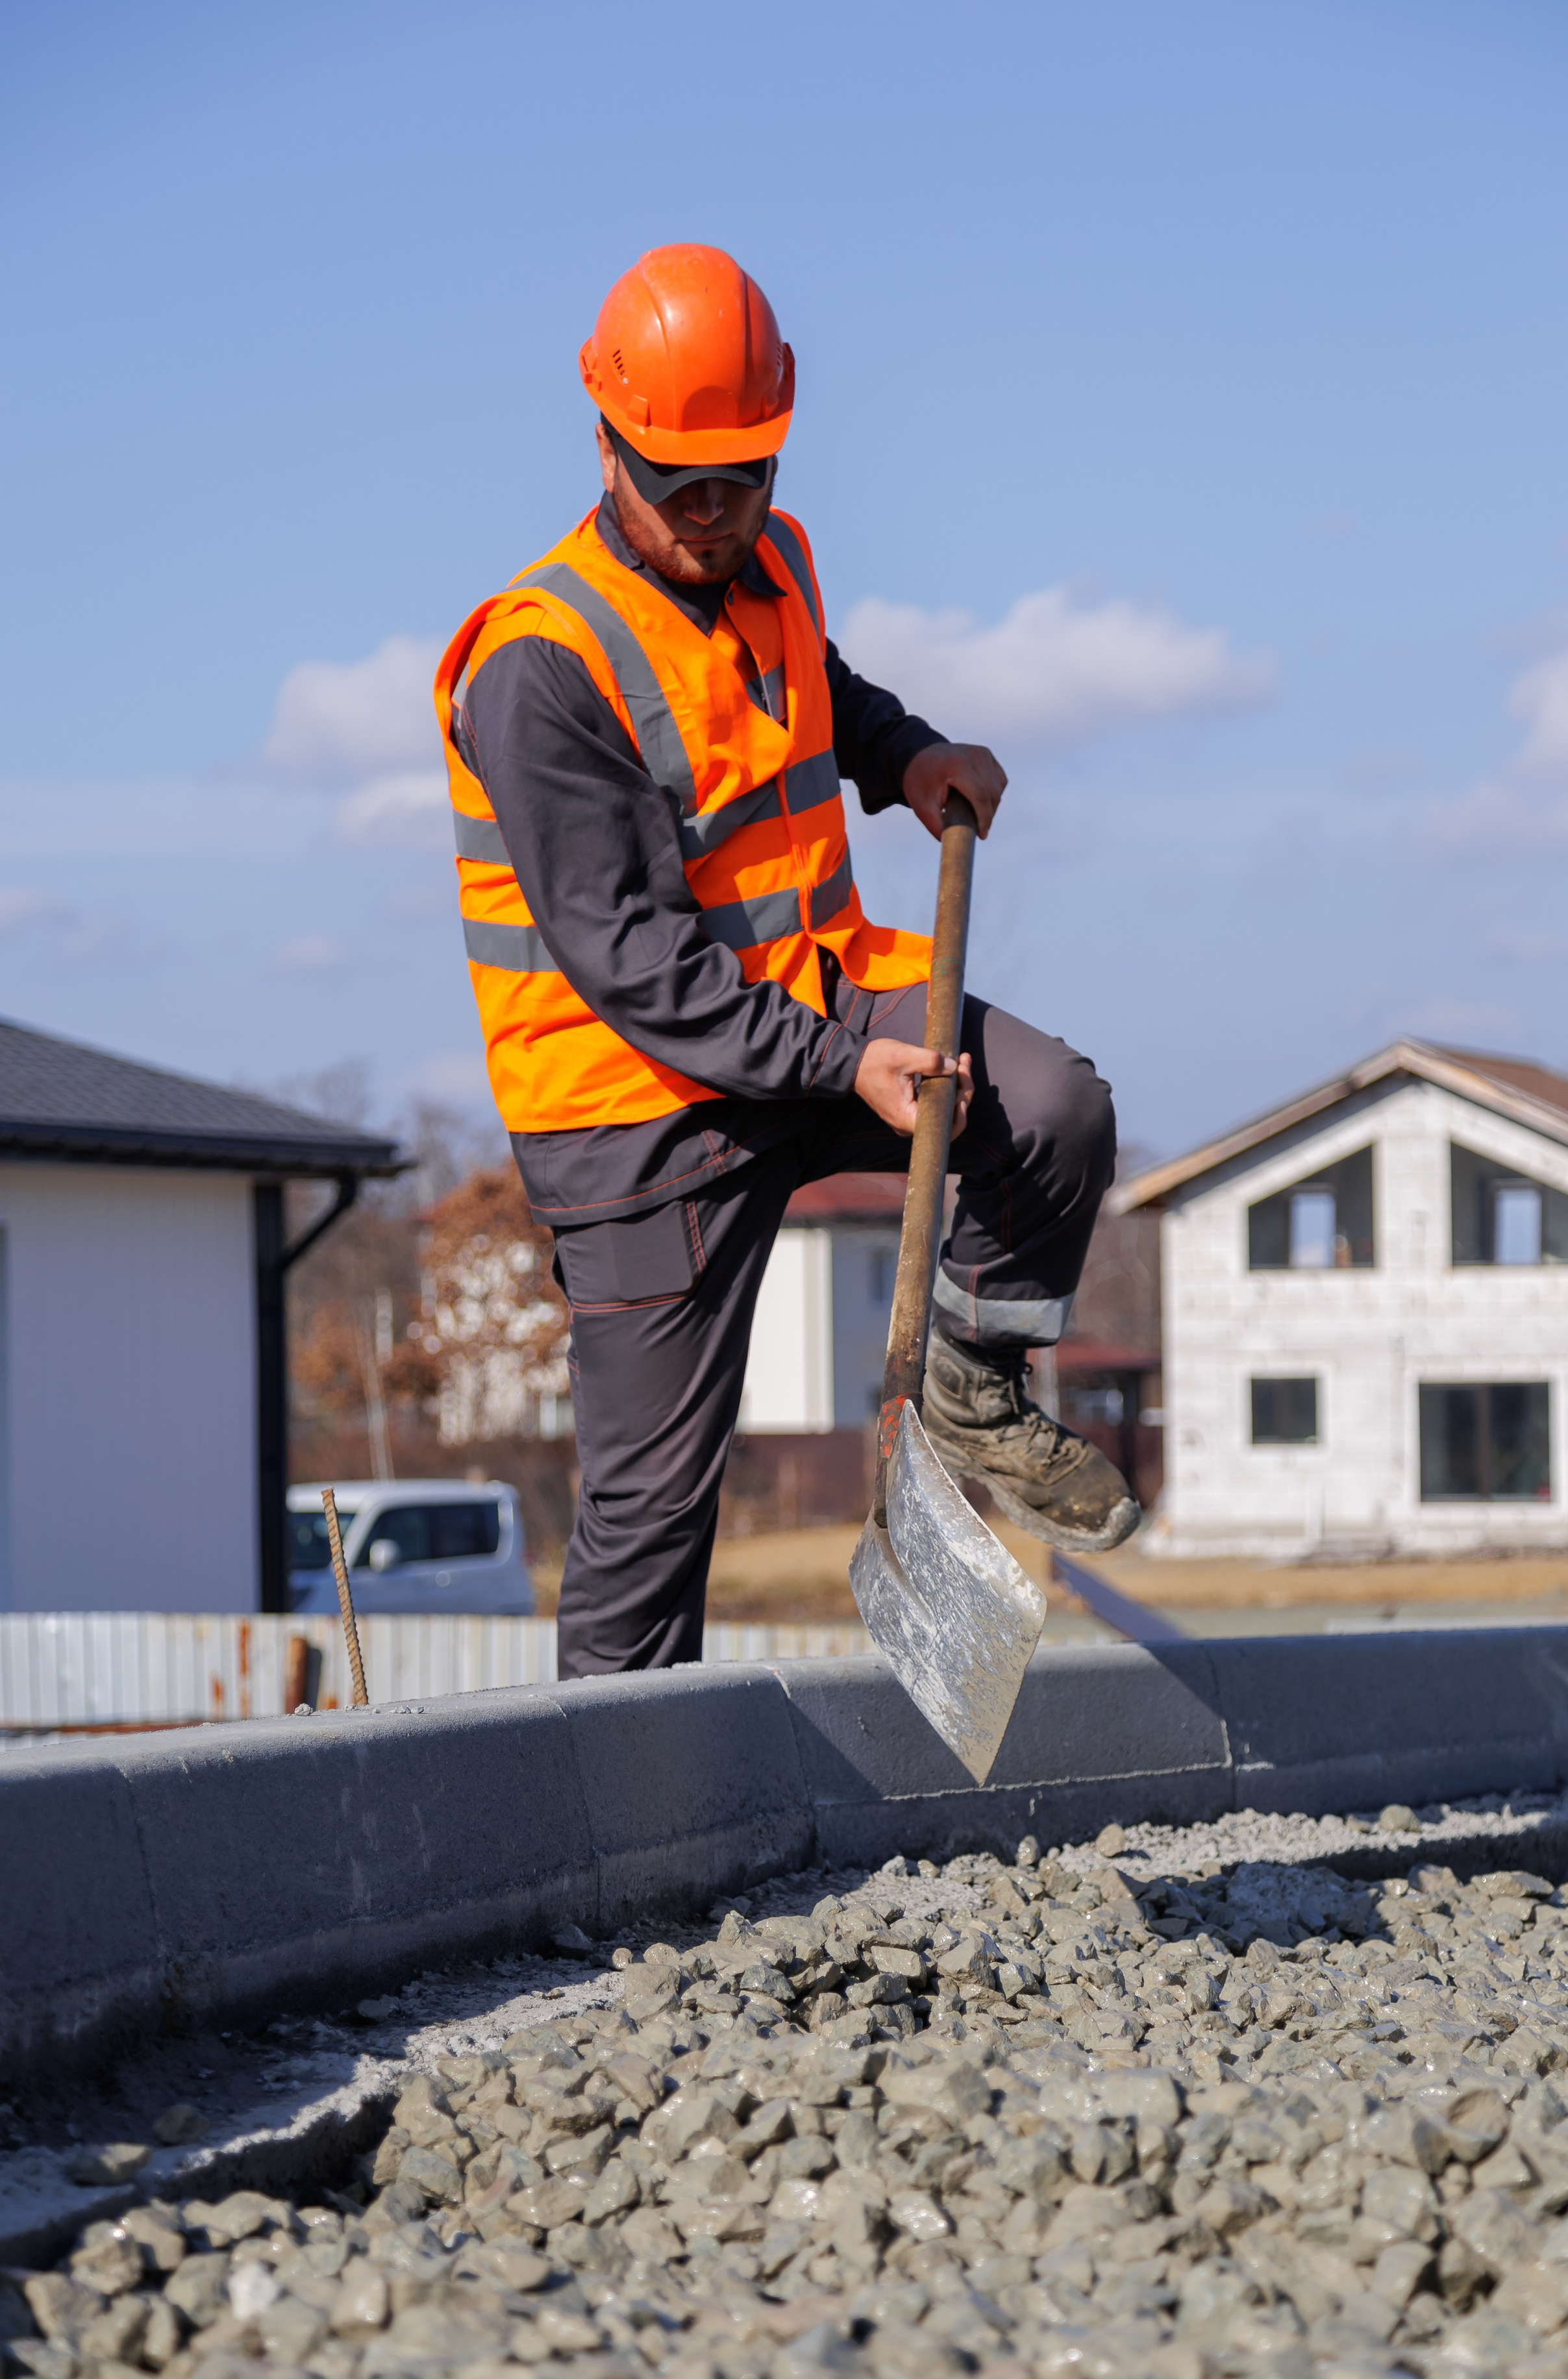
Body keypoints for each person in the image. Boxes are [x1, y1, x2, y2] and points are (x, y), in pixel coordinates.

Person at [436, 244, 1138, 1674]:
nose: (712, 516)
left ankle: (967, 1383)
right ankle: (615, 1835)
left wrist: (905, 754)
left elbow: (816, 688)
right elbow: (631, 959)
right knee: (649, 1513)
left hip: (816, 1007)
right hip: (633, 1102)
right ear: (606, 446)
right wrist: (840, 1065)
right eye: (677, 484)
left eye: (739, 480)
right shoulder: (541, 662)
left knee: (1053, 1111)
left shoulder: (776, 557)